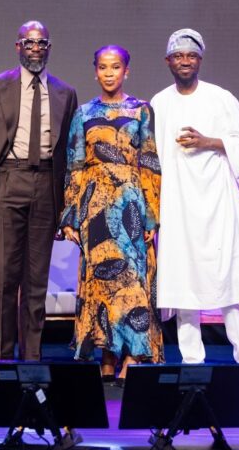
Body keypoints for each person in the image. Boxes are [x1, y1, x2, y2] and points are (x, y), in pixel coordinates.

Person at [0, 20, 78, 361]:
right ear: (18, 46)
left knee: (36, 281)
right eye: (29, 42)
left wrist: (65, 198)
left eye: (41, 43)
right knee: (3, 278)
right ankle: (2, 360)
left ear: (49, 48)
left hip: (46, 184)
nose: (35, 48)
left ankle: (31, 360)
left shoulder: (65, 93)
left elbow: (70, 149)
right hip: (7, 181)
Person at [151, 28, 239, 366]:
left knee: (230, 283)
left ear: (200, 60)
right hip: (177, 206)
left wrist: (208, 141)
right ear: (168, 61)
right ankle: (192, 363)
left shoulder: (221, 99)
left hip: (217, 205)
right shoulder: (159, 103)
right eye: (178, 56)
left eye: (191, 56)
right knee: (184, 284)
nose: (185, 61)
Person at [61, 45, 164, 384]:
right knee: (102, 283)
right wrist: (70, 216)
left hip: (131, 204)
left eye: (115, 66)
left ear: (126, 71)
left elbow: (149, 161)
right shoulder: (84, 113)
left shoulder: (141, 110)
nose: (109, 73)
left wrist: (152, 215)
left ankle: (133, 354)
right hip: (94, 207)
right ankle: (107, 354)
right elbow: (75, 164)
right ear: (95, 72)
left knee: (131, 281)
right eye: (103, 67)